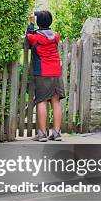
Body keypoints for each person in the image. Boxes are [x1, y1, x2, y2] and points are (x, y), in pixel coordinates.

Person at [26, 10, 65, 142]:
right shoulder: (56, 36)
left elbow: (29, 35)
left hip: (42, 73)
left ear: (38, 22)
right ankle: (56, 133)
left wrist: (31, 23)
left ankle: (42, 134)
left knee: (42, 101)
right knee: (56, 102)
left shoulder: (35, 38)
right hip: (56, 72)